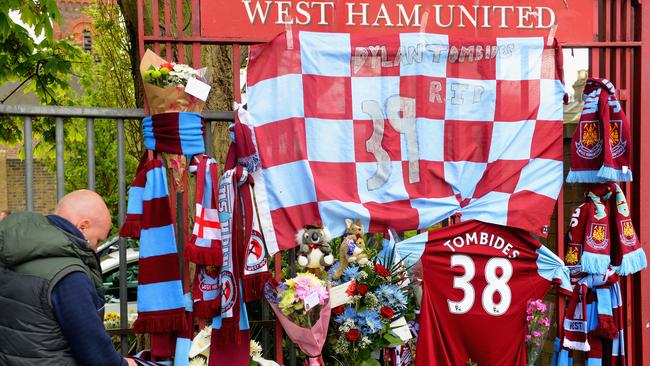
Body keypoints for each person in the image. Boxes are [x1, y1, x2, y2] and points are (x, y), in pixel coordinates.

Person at [0, 190, 137, 366]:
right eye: (97, 240)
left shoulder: (11, 252)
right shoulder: (69, 275)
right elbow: (96, 355)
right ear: (83, 226)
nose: (95, 250)